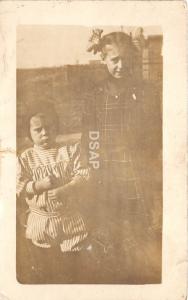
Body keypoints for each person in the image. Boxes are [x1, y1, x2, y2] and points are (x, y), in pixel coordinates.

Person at [81, 30, 162, 283]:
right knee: (110, 226)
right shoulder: (95, 94)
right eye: (114, 59)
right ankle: (113, 278)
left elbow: (155, 133)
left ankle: (142, 277)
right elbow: (91, 135)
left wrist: (147, 165)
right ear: (104, 59)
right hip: (107, 173)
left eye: (126, 59)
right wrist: (95, 169)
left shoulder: (146, 92)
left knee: (140, 227)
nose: (121, 65)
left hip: (137, 171)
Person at [16, 105, 91, 283]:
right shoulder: (26, 157)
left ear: (56, 126)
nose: (45, 133)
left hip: (70, 218)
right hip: (41, 220)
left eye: (49, 127)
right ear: (29, 133)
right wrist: (38, 185)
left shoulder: (70, 150)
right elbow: (18, 186)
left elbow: (84, 174)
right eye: (38, 130)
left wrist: (66, 189)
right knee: (46, 265)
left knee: (74, 265)